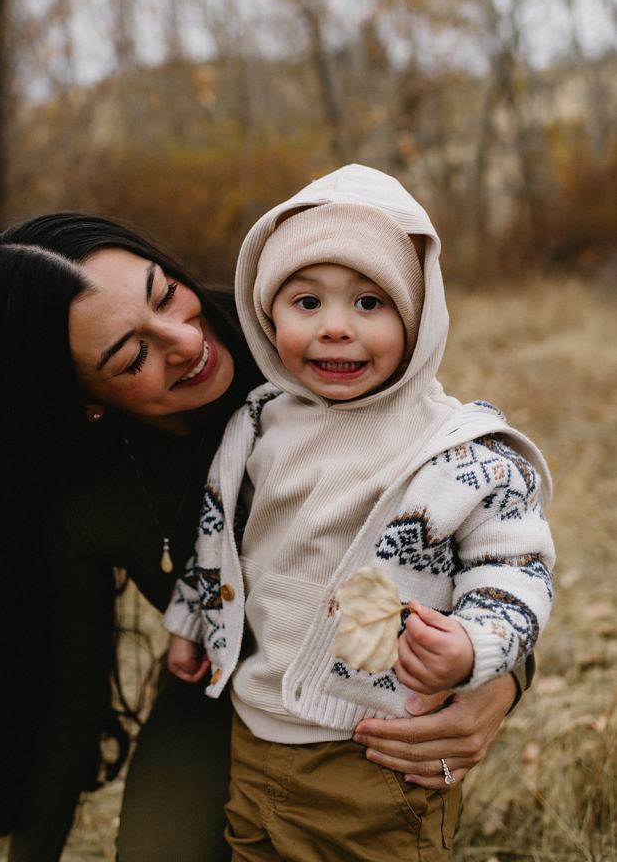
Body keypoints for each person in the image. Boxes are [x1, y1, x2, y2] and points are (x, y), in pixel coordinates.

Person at [0, 209, 534, 862]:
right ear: (81, 398)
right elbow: (68, 699)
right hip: (217, 677)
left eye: (166, 293)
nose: (184, 341)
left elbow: (490, 529)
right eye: (134, 354)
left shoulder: (301, 340)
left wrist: (498, 685)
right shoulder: (80, 496)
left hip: (363, 689)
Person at [165, 164, 554, 861]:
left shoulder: (457, 449)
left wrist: (473, 646)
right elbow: (218, 536)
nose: (336, 329)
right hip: (253, 734)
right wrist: (192, 618)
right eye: (307, 302)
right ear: (267, 315)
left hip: (373, 756)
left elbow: (516, 568)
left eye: (370, 304)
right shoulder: (256, 424)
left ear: (417, 315)